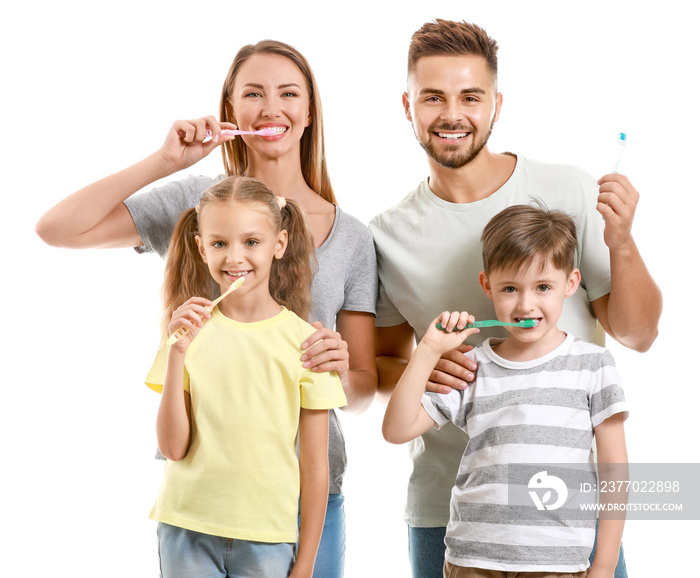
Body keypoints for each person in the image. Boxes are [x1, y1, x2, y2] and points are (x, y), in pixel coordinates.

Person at [35, 40, 377, 576]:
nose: (271, 108)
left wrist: (338, 369)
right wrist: (164, 161)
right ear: (230, 112)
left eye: (289, 93)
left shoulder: (353, 238)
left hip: (307, 493)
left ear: (309, 113)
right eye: (253, 94)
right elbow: (57, 229)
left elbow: (360, 389)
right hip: (204, 494)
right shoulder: (195, 205)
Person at [369, 19, 661, 578]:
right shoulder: (386, 235)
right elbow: (381, 367)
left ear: (496, 105)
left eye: (470, 97)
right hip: (451, 517)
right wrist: (431, 365)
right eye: (433, 97)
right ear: (407, 106)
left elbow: (640, 335)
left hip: (566, 521)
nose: (452, 115)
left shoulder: (570, 191)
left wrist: (621, 243)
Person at [383, 204, 628, 578]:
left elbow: (615, 471)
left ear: (571, 283)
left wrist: (605, 565)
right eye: (510, 288)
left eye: (543, 287)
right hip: (472, 561)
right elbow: (396, 430)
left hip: (558, 565)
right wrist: (428, 352)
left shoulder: (592, 366)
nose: (526, 304)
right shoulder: (472, 366)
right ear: (487, 286)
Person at [148, 175, 347, 577]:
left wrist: (306, 563)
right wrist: (176, 354)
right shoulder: (184, 336)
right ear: (201, 248)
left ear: (280, 245)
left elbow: (314, 467)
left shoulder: (308, 344)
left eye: (251, 242)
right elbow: (172, 447)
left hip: (268, 538)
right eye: (220, 243)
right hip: (186, 527)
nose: (235, 258)